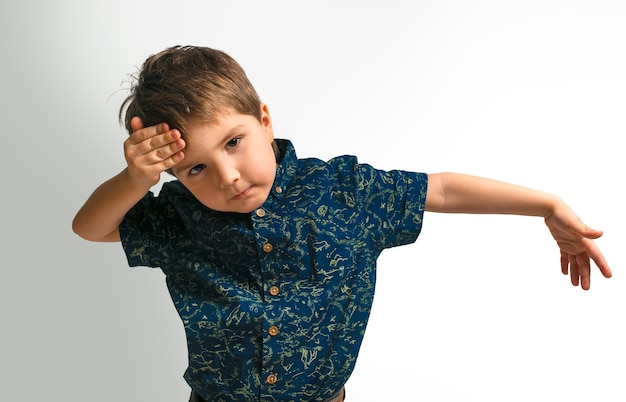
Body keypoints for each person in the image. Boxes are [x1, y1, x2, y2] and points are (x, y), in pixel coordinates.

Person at [72, 45, 611, 402]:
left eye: (233, 143)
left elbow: (441, 188)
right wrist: (135, 179)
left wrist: (547, 204)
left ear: (263, 119)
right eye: (197, 168)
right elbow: (90, 227)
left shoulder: (343, 193)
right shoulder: (178, 217)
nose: (228, 176)